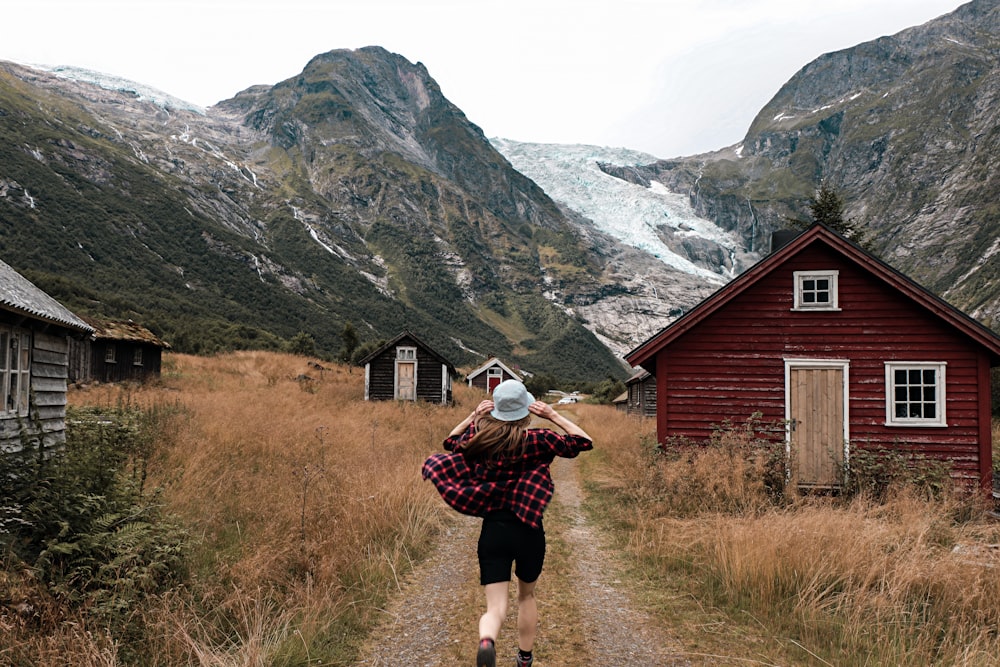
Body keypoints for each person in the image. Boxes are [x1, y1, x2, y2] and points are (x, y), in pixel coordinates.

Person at [421, 380, 594, 667]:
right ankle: (524, 659)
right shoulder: (539, 439)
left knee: (495, 606)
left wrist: (473, 416)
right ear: (527, 410)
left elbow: (450, 441)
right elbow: (583, 442)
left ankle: (487, 640)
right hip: (529, 528)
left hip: (494, 532)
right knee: (526, 597)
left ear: (496, 411)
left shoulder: (481, 439)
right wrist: (553, 415)